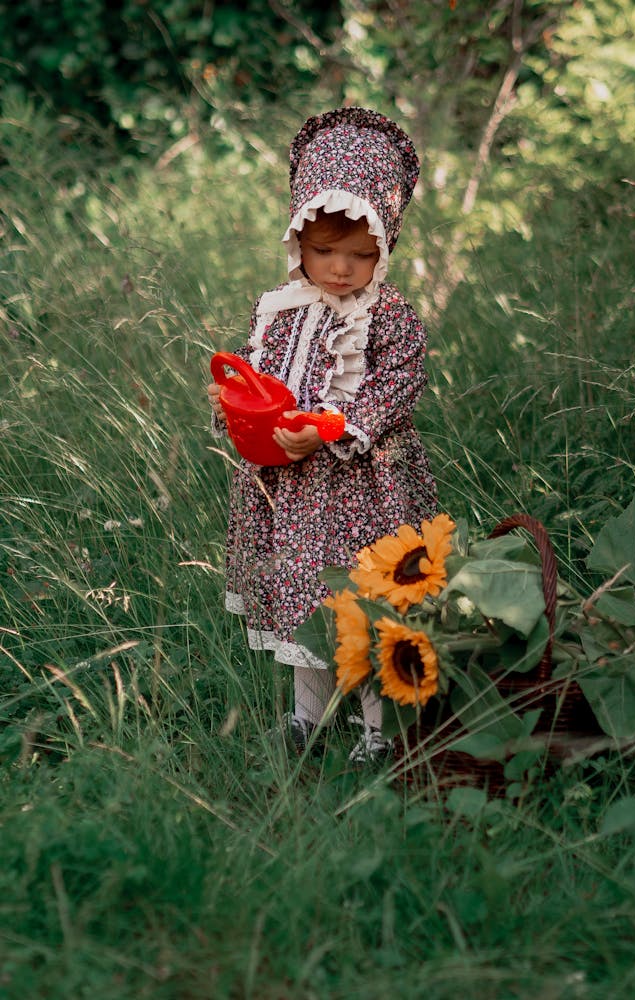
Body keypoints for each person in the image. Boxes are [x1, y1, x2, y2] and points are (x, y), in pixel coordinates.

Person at [207, 107, 437, 763]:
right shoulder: (280, 308)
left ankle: (375, 726)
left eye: (361, 255)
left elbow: (399, 381)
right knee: (298, 597)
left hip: (363, 487)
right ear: (297, 241)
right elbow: (255, 378)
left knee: (358, 599)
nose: (340, 270)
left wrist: (343, 426)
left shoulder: (388, 315)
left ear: (385, 247)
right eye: (324, 252)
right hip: (288, 486)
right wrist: (239, 410)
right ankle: (307, 714)